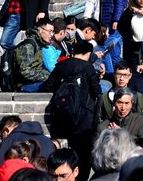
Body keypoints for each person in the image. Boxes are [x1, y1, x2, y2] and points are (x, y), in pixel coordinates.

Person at [44, 39, 103, 181]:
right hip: (84, 120)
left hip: (61, 118)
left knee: (63, 154)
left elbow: (48, 87)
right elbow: (97, 91)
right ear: (88, 53)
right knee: (83, 155)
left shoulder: (61, 66)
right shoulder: (88, 68)